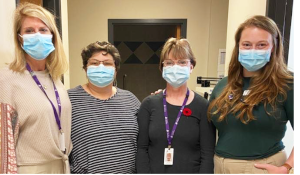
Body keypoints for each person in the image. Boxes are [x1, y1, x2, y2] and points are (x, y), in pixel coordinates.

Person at [208, 15, 294, 174]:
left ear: (273, 47)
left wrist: (286, 167)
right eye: (247, 44)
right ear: (238, 46)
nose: (253, 50)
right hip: (220, 165)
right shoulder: (224, 85)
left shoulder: (286, 84)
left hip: (261, 167)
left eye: (262, 45)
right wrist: (166, 98)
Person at [0, 3, 72, 174]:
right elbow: (4, 145)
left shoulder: (54, 77)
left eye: (43, 29)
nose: (37, 35)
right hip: (29, 168)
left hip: (61, 164)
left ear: (53, 35)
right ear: (20, 38)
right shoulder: (7, 79)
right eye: (29, 31)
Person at [137, 38, 216, 174]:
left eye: (182, 62)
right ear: (162, 68)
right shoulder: (148, 105)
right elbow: (142, 149)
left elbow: (207, 155)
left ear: (191, 67)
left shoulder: (203, 106)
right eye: (169, 63)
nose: (175, 67)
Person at [68, 41, 141, 174]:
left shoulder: (130, 99)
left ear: (116, 69)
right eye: (94, 63)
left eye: (107, 63)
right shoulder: (69, 99)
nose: (101, 67)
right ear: (85, 68)